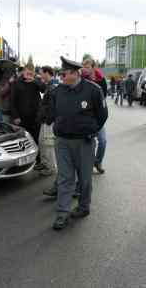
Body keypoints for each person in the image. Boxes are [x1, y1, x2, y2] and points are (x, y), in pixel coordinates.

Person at [47, 56, 108, 231]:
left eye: (63, 74)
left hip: (84, 142)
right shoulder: (58, 91)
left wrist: (91, 130)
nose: (61, 77)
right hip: (63, 142)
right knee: (65, 178)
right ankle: (62, 213)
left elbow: (102, 115)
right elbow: (53, 112)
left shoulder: (93, 90)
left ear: (75, 73)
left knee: (85, 179)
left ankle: (83, 207)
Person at [11, 64, 46, 166]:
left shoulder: (36, 81)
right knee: (24, 140)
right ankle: (24, 160)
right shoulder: (16, 83)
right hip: (22, 117)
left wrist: (34, 80)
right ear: (24, 71)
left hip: (36, 117)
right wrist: (15, 116)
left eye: (32, 73)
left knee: (36, 139)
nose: (29, 75)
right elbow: (12, 101)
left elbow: (44, 89)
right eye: (28, 73)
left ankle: (37, 160)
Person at [82, 59, 107, 174]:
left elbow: (104, 98)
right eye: (84, 67)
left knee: (103, 141)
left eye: (87, 67)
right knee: (88, 143)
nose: (84, 69)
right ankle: (87, 164)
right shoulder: (81, 79)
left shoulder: (101, 80)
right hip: (85, 116)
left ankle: (98, 162)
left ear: (93, 67)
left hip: (97, 116)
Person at [37, 66, 57, 176]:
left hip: (48, 121)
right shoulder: (49, 85)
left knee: (48, 144)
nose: (40, 75)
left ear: (47, 73)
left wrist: (48, 120)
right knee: (42, 142)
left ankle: (51, 168)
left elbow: (53, 107)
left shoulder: (52, 87)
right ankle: (45, 163)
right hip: (45, 120)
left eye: (41, 73)